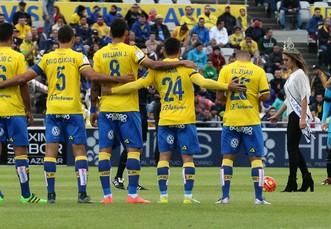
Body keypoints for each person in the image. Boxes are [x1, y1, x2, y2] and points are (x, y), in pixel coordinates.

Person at [0, 25, 133, 203]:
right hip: (72, 109)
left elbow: (24, 79)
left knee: (50, 153)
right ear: (72, 38)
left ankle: (51, 195)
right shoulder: (78, 57)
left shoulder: (47, 58)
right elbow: (93, 77)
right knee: (79, 152)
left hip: (54, 109)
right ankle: (82, 193)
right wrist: (120, 79)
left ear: (57, 40)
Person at [110, 38, 242, 204]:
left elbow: (137, 84)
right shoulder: (185, 67)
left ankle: (163, 196)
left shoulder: (156, 70)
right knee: (187, 159)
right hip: (185, 119)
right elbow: (204, 82)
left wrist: (113, 90)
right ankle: (187, 196)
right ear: (179, 51)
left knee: (164, 157)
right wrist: (227, 86)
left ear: (164, 52)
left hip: (166, 119)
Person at [90, 19, 197, 204]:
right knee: (133, 150)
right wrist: (182, 63)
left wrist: (93, 108)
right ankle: (132, 195)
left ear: (110, 34)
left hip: (106, 107)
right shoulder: (132, 50)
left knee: (104, 152)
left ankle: (107, 196)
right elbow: (153, 65)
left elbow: (94, 83)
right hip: (128, 108)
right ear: (125, 33)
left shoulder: (99, 54)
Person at [216, 49, 272, 205]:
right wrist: (256, 98)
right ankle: (259, 198)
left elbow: (219, 97)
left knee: (227, 158)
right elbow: (266, 95)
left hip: (231, 120)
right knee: (256, 159)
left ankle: (225, 197)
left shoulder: (226, 70)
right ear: (251, 57)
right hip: (251, 120)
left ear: (235, 56)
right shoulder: (258, 70)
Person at [0, 23, 45, 203]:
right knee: (20, 151)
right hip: (14, 109)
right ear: (11, 37)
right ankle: (25, 194)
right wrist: (28, 109)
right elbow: (23, 84)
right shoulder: (17, 57)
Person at [269, 43, 314, 192]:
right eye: (283, 60)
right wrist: (277, 114)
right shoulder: (291, 76)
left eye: (286, 60)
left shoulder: (300, 74)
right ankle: (306, 178)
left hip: (298, 114)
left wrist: (302, 118)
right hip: (292, 113)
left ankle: (293, 181)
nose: (284, 62)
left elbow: (304, 97)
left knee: (292, 148)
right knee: (293, 148)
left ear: (294, 60)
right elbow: (288, 100)